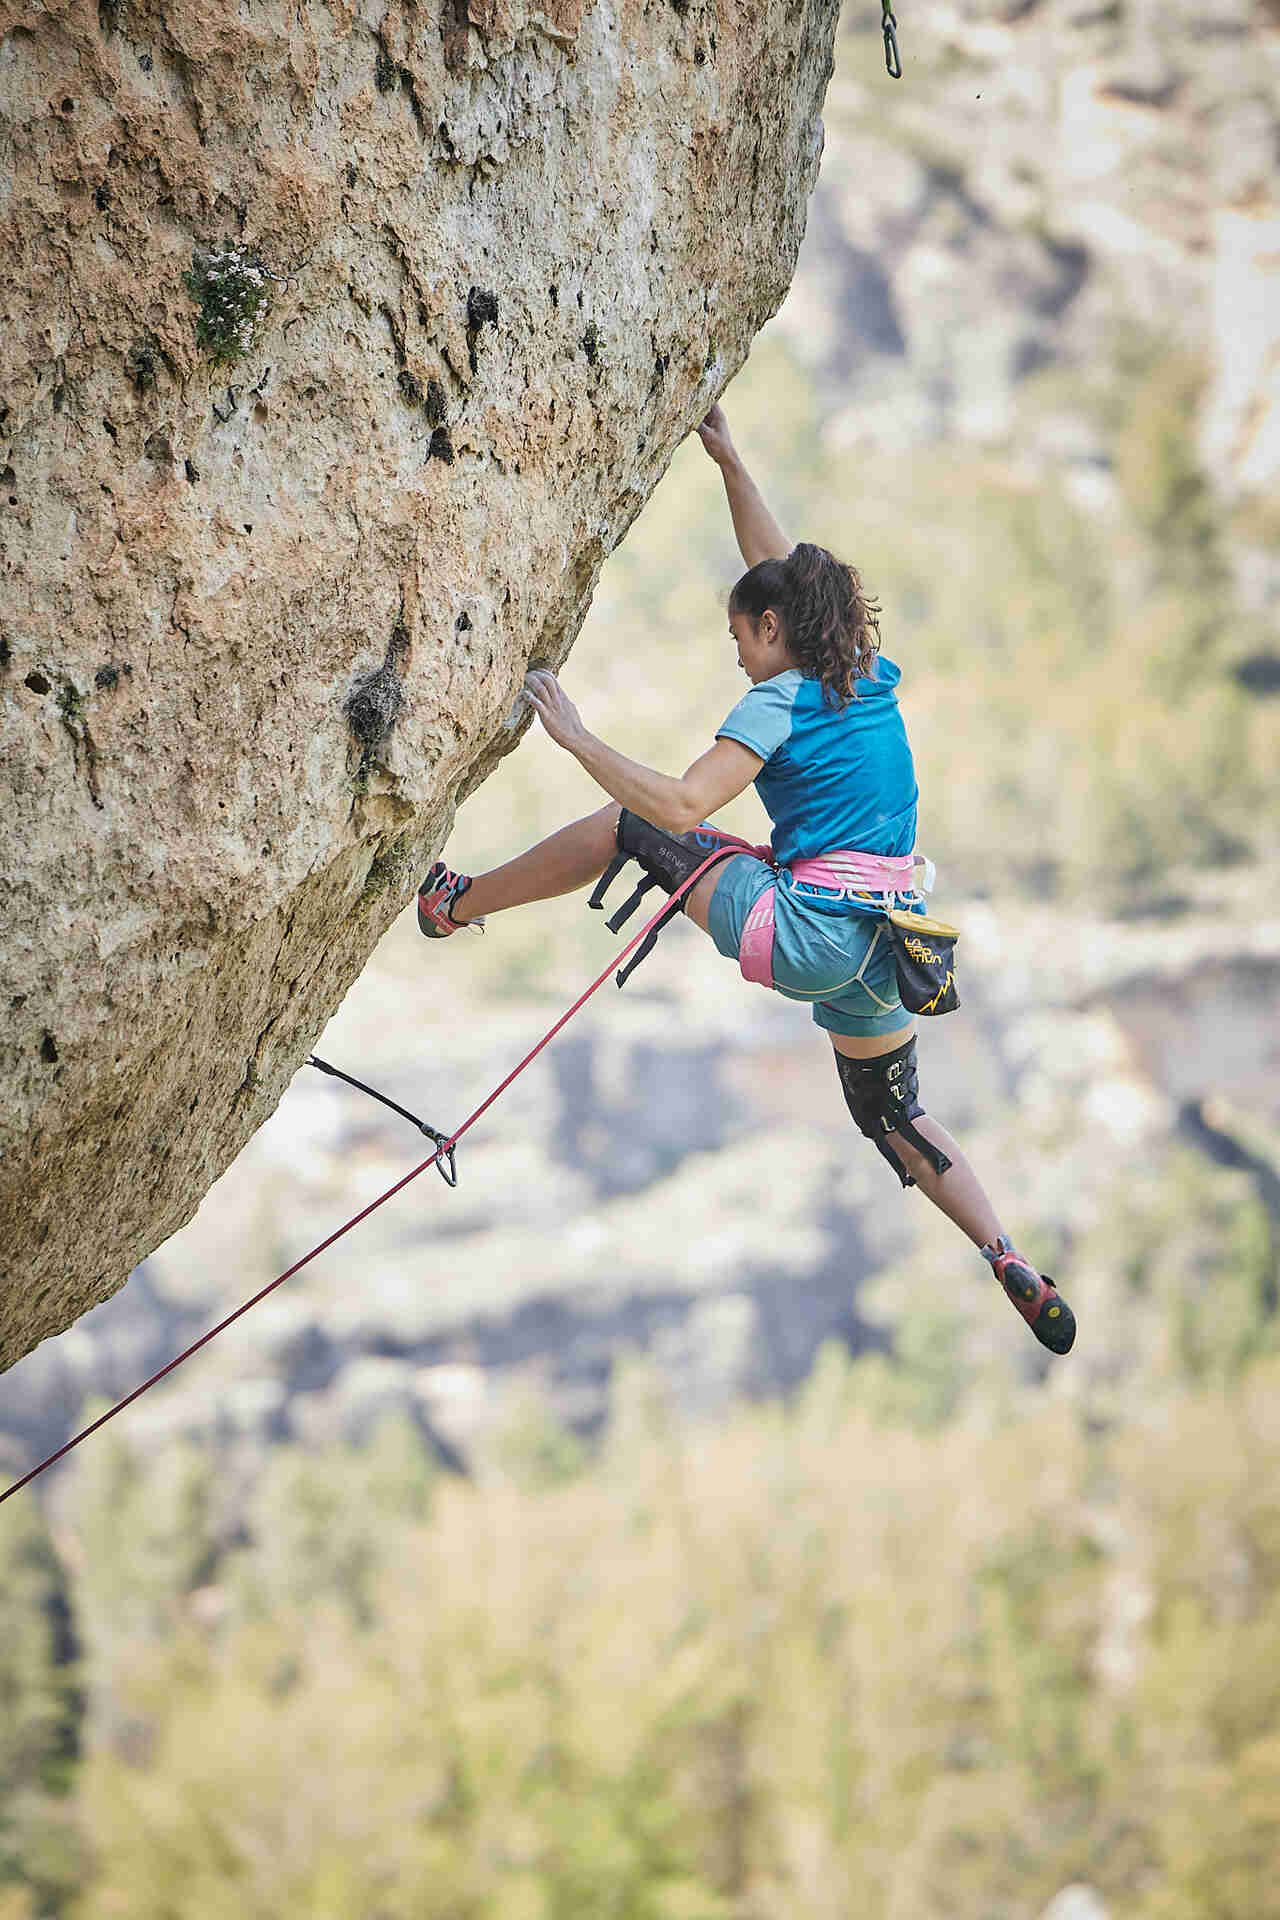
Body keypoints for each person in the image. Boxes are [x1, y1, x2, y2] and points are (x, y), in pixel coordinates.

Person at [417, 404, 1075, 1355]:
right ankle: (1003, 1252)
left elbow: (684, 803)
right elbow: (785, 575)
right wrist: (730, 463)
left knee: (630, 826)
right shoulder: (863, 673)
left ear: (772, 630)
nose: (735, 655)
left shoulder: (777, 702)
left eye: (740, 637)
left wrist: (577, 737)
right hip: (891, 947)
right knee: (894, 1114)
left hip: (806, 933)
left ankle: (453, 904)